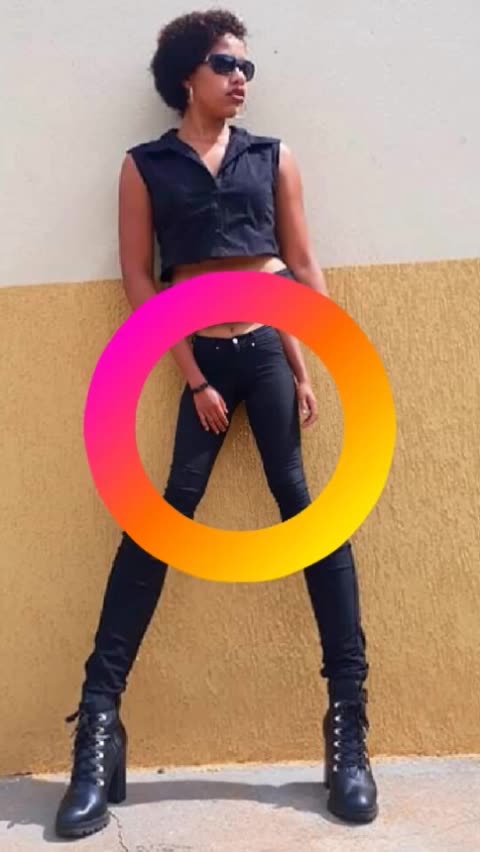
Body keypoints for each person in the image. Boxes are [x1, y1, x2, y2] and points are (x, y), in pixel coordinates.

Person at [55, 8, 378, 840]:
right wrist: (192, 376)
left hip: (267, 348)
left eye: (247, 67)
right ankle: (99, 724)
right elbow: (140, 278)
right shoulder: (146, 166)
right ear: (187, 77)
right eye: (226, 65)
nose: (241, 78)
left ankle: (348, 725)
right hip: (197, 353)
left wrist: (314, 361)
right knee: (161, 522)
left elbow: (298, 266)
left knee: (309, 514)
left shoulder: (272, 157)